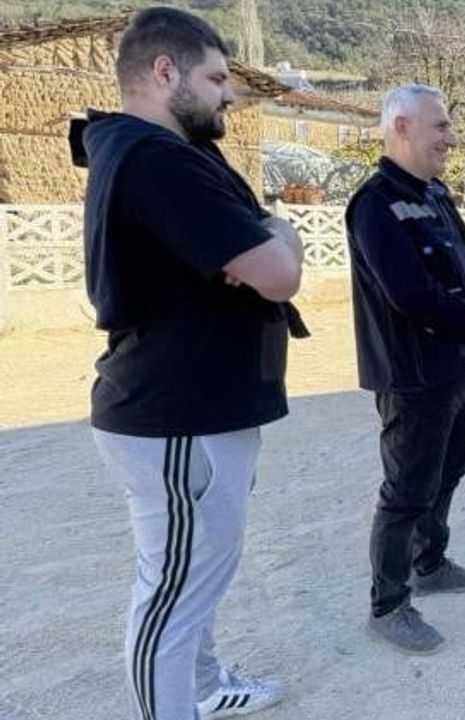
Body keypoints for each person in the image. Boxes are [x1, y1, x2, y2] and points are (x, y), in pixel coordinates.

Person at [82, 7, 303, 718]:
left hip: (200, 409)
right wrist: (280, 231)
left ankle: (206, 686)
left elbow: (254, 260)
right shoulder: (159, 162)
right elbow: (277, 271)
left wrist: (263, 241)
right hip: (177, 417)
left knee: (194, 577)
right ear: (163, 71)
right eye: (214, 78)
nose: (228, 94)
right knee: (171, 597)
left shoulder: (171, 153)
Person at [347, 84, 465, 654]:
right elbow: (410, 295)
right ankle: (388, 603)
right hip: (412, 372)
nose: (450, 137)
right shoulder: (375, 203)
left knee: (448, 470)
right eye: (439, 126)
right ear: (401, 127)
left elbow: (462, 267)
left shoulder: (435, 194)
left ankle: (430, 562)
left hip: (453, 364)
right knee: (406, 489)